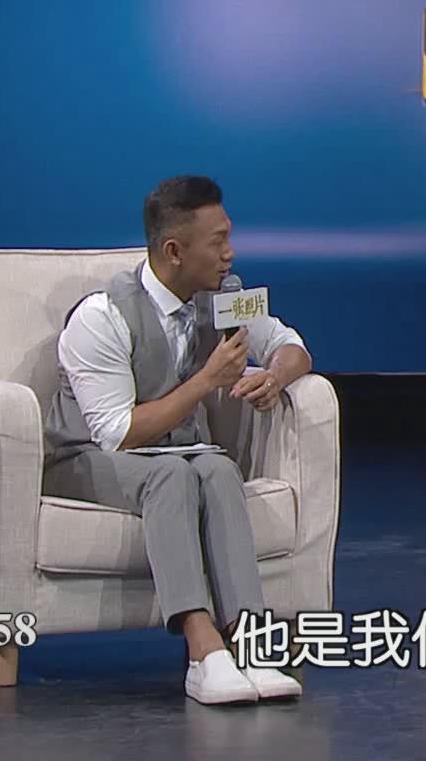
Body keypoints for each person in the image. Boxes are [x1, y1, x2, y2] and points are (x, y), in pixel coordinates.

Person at [43, 175, 314, 705]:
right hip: (85, 458)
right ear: (174, 251)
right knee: (172, 473)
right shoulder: (102, 317)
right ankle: (202, 650)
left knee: (217, 468)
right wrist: (208, 380)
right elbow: (118, 433)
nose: (230, 254)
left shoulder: (224, 299)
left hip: (179, 454)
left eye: (229, 236)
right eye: (217, 242)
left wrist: (274, 376)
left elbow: (292, 346)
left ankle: (249, 642)